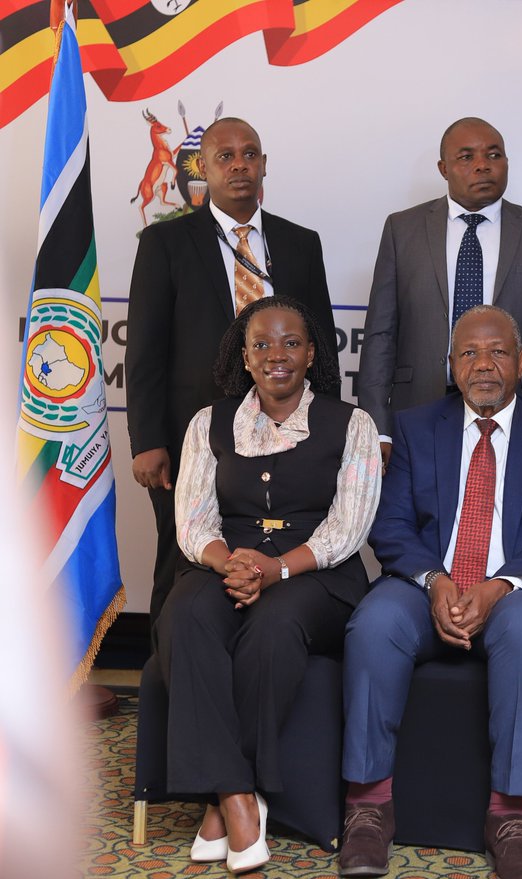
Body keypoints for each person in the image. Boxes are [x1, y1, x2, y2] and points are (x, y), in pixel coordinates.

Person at [339, 306, 522, 879]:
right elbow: (391, 525)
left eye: (498, 352)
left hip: (515, 594)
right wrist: (437, 581)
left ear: (521, 362)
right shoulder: (416, 426)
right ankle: (368, 806)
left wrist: (499, 585)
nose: (484, 365)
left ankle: (510, 819)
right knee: (373, 624)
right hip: (430, 587)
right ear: (450, 365)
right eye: (469, 354)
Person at [153, 296, 380, 874]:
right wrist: (230, 563)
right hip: (225, 561)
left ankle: (221, 801)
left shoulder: (352, 423)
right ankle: (234, 794)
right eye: (262, 345)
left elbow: (348, 528)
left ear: (311, 353)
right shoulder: (210, 421)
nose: (277, 355)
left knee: (274, 624)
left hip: (317, 574)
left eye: (290, 343)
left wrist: (275, 570)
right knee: (185, 615)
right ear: (244, 358)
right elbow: (193, 519)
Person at [127, 116, 340, 625]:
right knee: (182, 564)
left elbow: (323, 347)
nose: (239, 165)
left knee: (278, 553)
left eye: (250, 154)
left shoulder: (300, 243)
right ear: (204, 168)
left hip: (290, 437)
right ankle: (172, 682)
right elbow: (145, 350)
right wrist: (147, 439)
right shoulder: (166, 243)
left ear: (264, 165)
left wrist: (331, 432)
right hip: (194, 438)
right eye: (225, 156)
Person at [357, 117, 522, 466]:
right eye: (466, 157)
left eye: (494, 155)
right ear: (443, 168)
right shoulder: (402, 230)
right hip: (419, 404)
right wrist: (378, 427)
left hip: (513, 409)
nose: (482, 165)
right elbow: (380, 333)